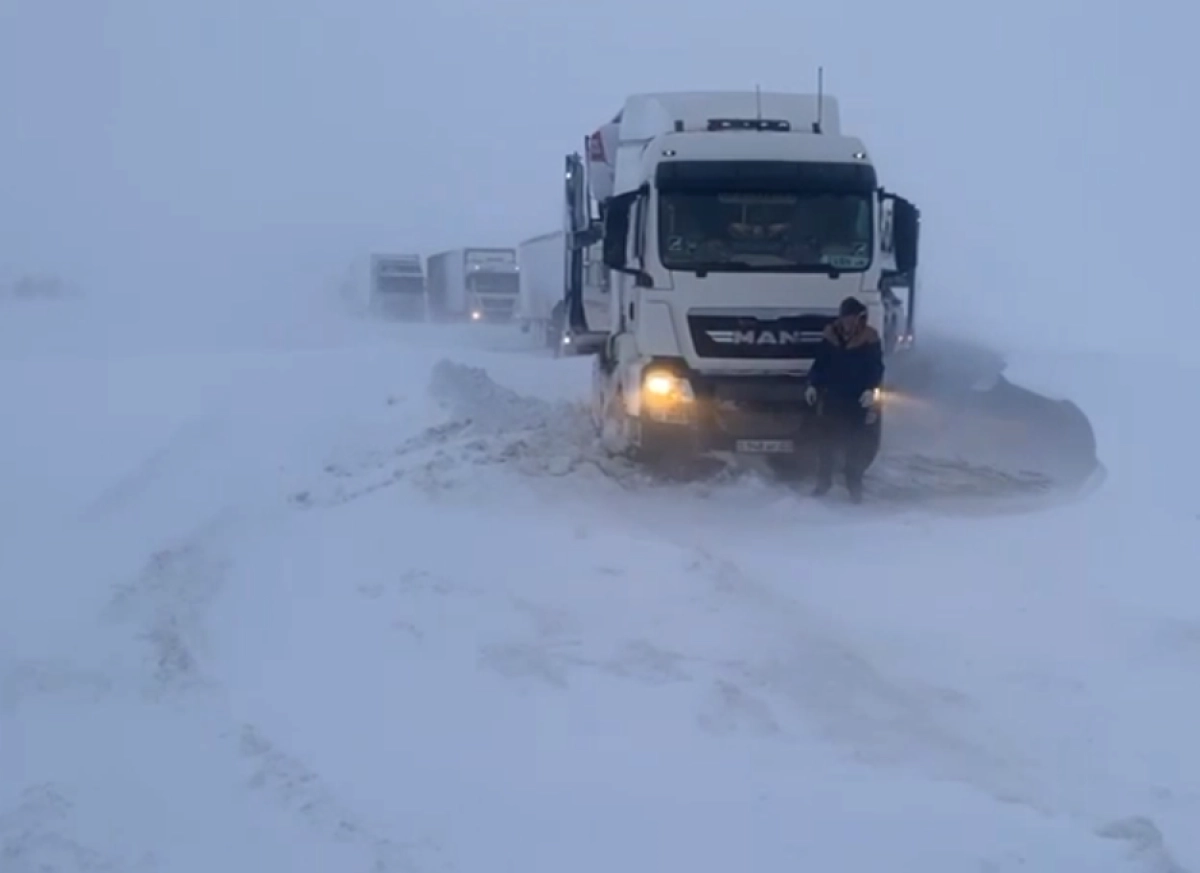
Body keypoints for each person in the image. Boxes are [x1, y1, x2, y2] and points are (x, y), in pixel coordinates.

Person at [804, 296, 884, 502]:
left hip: (856, 400)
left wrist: (870, 389)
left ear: (860, 318)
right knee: (827, 444)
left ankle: (854, 486)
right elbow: (820, 363)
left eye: (852, 318)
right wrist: (812, 384)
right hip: (832, 397)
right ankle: (823, 483)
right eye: (845, 318)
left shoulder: (870, 338)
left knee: (855, 446)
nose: (848, 322)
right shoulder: (830, 336)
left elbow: (876, 367)